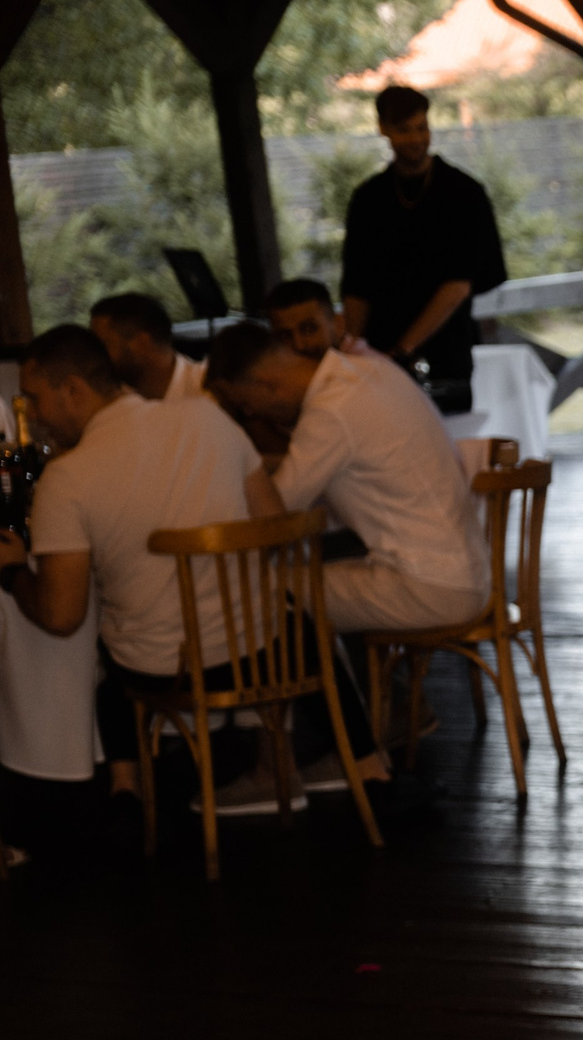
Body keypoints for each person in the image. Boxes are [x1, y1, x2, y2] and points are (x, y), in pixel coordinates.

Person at [0, 326, 388, 829]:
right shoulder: (209, 417)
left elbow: (61, 615)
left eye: (35, 399)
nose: (35, 416)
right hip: (260, 654)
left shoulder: (67, 480)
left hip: (163, 670)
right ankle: (369, 769)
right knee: (301, 627)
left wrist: (11, 571)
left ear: (73, 388)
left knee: (106, 667)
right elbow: (273, 528)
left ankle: (126, 790)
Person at [206, 322, 488, 635]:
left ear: (265, 383)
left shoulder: (329, 412)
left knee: (257, 587)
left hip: (430, 587)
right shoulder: (371, 370)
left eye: (245, 405)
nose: (253, 415)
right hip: (466, 574)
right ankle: (349, 681)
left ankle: (328, 684)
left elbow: (273, 519)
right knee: (307, 573)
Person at [340, 84, 507, 412]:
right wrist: (353, 351)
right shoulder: (368, 199)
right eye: (404, 130)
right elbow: (357, 287)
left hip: (446, 353)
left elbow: (458, 285)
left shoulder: (464, 192)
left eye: (422, 128)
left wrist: (403, 350)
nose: (416, 139)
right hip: (379, 354)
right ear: (383, 130)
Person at [89, 292, 209, 402]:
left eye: (103, 345)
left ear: (142, 343)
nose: (95, 358)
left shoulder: (209, 389)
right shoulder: (112, 400)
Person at [266, 278, 362, 362]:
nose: (299, 345)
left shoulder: (363, 372)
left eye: (309, 329)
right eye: (285, 336)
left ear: (339, 324)